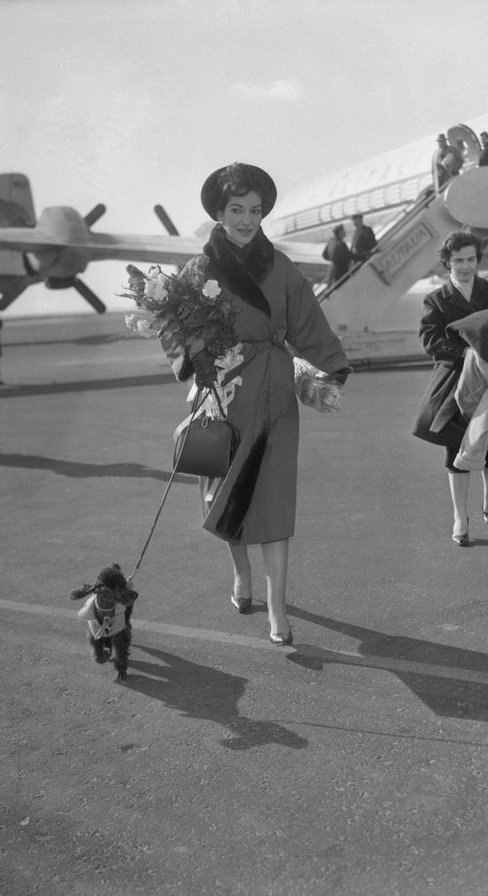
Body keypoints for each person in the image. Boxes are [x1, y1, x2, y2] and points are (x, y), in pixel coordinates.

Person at [164, 163, 349, 645]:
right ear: (219, 214)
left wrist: (332, 366)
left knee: (273, 498)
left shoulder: (281, 266)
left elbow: (308, 320)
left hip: (273, 390)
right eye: (237, 210)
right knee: (225, 490)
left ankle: (278, 608)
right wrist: (195, 354)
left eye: (256, 210)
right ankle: (241, 575)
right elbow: (174, 332)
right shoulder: (198, 270)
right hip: (220, 393)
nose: (248, 219)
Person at [412, 229, 488, 546]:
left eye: (471, 259)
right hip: (455, 381)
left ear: (478, 260)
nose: (465, 266)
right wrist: (465, 353)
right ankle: (460, 515)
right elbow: (429, 339)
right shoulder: (436, 299)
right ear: (447, 262)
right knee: (455, 445)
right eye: (458, 260)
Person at [322, 224, 352, 288]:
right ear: (340, 233)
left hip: (333, 268)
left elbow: (324, 255)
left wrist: (332, 259)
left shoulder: (331, 241)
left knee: (331, 286)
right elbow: (348, 256)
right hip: (340, 270)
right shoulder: (341, 244)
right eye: (343, 231)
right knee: (342, 286)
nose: (345, 232)